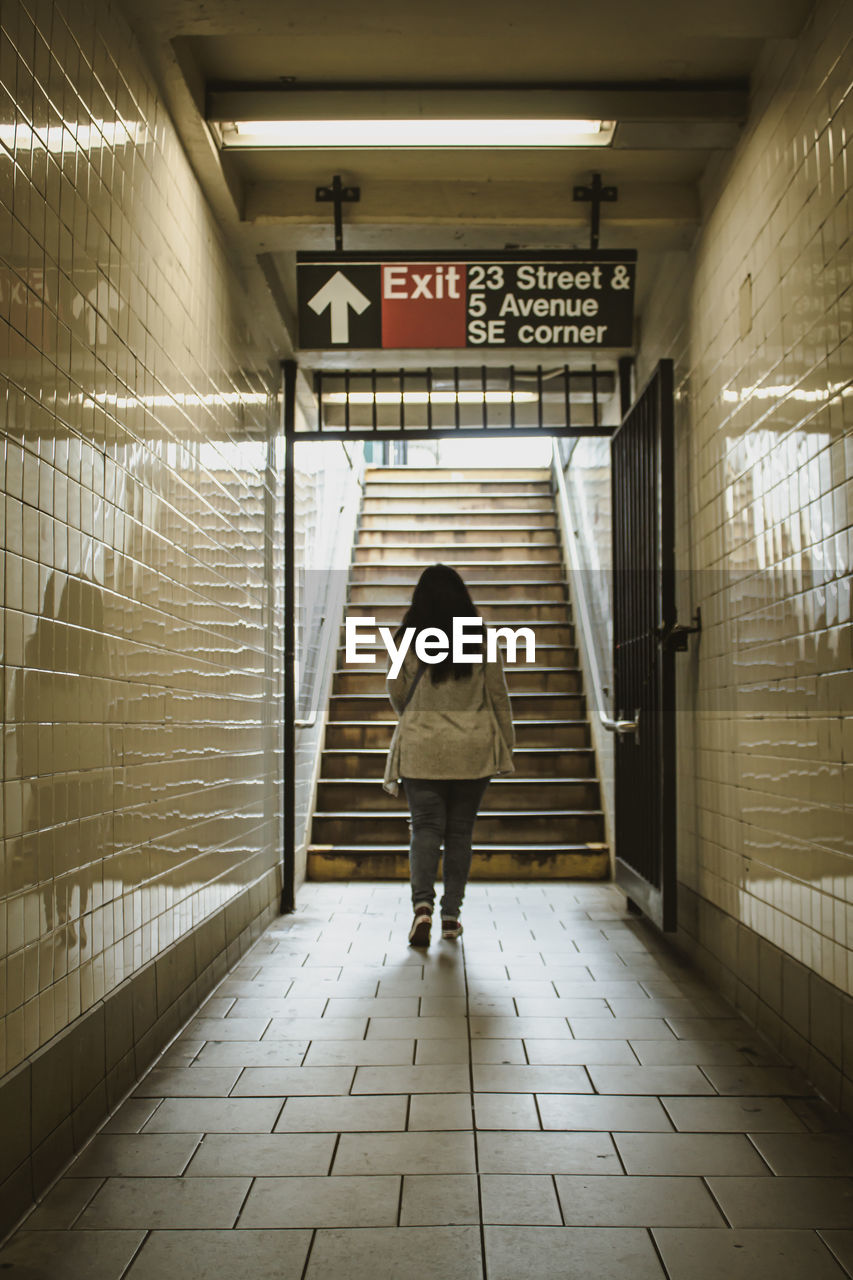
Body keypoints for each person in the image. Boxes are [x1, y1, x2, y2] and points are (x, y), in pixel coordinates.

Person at [383, 564, 515, 946]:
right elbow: (498, 695)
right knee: (460, 833)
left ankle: (422, 908)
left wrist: (415, 720)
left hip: (423, 747)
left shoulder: (406, 637)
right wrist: (506, 743)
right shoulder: (480, 636)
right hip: (471, 750)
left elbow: (395, 689)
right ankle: (450, 916)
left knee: (425, 828)